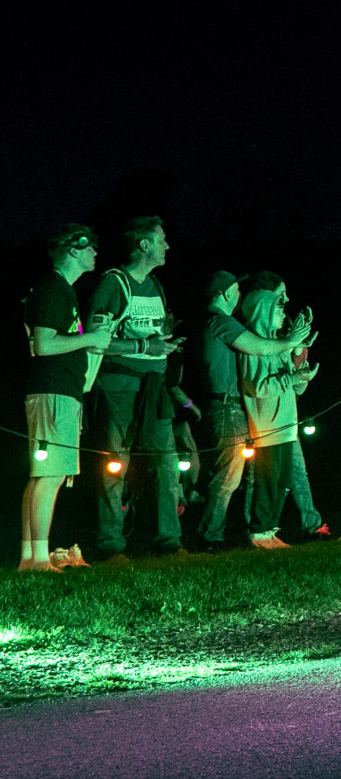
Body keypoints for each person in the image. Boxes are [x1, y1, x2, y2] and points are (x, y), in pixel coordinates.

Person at [85, 216, 185, 558]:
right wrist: (144, 348)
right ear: (144, 245)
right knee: (115, 464)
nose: (167, 246)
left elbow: (150, 333)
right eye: (162, 240)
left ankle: (169, 541)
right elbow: (95, 340)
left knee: (166, 464)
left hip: (153, 386)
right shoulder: (113, 283)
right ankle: (111, 545)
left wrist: (163, 342)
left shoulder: (155, 284)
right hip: (119, 385)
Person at [194, 269, 306, 550]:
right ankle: (210, 537)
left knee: (237, 478)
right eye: (236, 289)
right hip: (226, 405)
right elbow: (255, 348)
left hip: (230, 406)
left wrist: (290, 350)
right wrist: (291, 343)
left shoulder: (220, 322)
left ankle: (216, 534)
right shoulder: (220, 321)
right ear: (225, 293)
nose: (240, 294)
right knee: (228, 478)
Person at [21, 225, 107, 572]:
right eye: (91, 247)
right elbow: (43, 344)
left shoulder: (59, 290)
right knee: (50, 475)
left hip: (59, 391)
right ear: (75, 249)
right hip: (53, 390)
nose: (96, 254)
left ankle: (31, 557)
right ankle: (38, 559)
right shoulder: (54, 288)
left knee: (44, 475)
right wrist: (90, 339)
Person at [239, 276, 320, 549]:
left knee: (283, 481)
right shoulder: (254, 346)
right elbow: (256, 387)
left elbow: (294, 389)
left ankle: (269, 531)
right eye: (278, 308)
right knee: (268, 481)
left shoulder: (279, 343)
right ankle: (258, 533)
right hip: (267, 428)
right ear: (263, 309)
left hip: (287, 425)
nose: (283, 312)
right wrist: (291, 378)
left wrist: (301, 376)